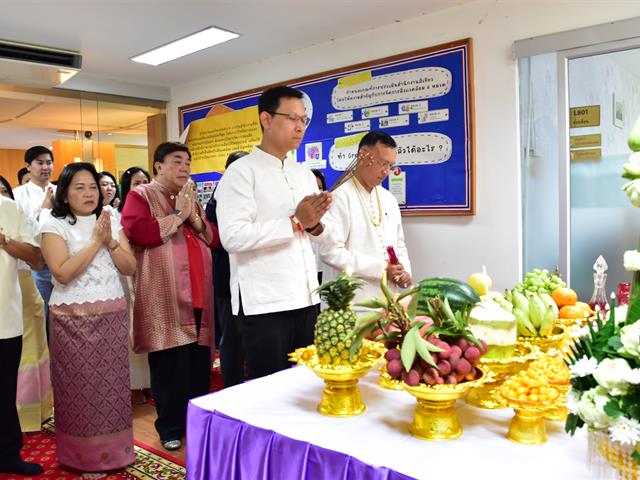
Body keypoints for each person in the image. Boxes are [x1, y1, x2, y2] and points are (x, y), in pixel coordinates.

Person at [215, 86, 332, 381]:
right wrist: (295, 222)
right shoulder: (241, 172)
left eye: (304, 119)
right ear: (266, 119)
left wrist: (316, 223)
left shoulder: (303, 173)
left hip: (306, 298)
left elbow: (314, 234)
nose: (300, 126)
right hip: (265, 304)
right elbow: (233, 237)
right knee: (269, 389)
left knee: (306, 384)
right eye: (292, 118)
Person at [121, 142, 219, 451]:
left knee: (198, 365)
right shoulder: (141, 195)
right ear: (158, 166)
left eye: (188, 161)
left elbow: (212, 238)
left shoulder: (189, 197)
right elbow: (140, 232)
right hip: (166, 297)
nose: (185, 167)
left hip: (199, 293)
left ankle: (197, 424)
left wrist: (194, 217)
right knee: (169, 366)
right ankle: (170, 427)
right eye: (177, 161)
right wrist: (178, 216)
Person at [40, 162, 136, 474]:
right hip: (72, 318)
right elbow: (62, 272)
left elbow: (130, 266)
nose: (89, 193)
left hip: (112, 315)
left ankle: (117, 452)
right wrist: (97, 241)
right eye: (79, 187)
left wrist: (110, 240)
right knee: (78, 388)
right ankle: (81, 457)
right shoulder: (53, 223)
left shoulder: (111, 218)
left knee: (112, 387)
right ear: (65, 194)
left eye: (93, 187)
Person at [320, 131, 412, 302]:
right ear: (362, 156)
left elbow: (399, 244)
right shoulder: (340, 196)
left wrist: (405, 272)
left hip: (387, 301)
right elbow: (330, 252)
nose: (386, 171)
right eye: (382, 163)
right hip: (352, 303)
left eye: (390, 165)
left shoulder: (388, 198)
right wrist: (381, 269)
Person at [0, 177, 52, 433]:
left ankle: (9, 448)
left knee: (8, 383)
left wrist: (4, 240)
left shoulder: (7, 208)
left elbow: (36, 258)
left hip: (8, 312)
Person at [205, 151, 248, 388]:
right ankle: (233, 386)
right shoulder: (219, 198)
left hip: (250, 279)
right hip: (227, 279)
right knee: (231, 338)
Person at [117, 167, 152, 404]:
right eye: (135, 182)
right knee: (131, 325)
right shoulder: (116, 213)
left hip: (150, 270)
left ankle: (149, 382)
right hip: (126, 272)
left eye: (144, 181)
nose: (141, 185)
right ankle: (134, 384)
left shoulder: (153, 206)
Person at [13, 146, 56, 332]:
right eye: (39, 163)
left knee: (61, 314)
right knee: (40, 314)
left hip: (61, 259)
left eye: (49, 162)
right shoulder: (18, 194)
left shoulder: (61, 190)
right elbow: (22, 231)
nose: (45, 167)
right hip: (35, 263)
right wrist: (44, 209)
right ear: (28, 166)